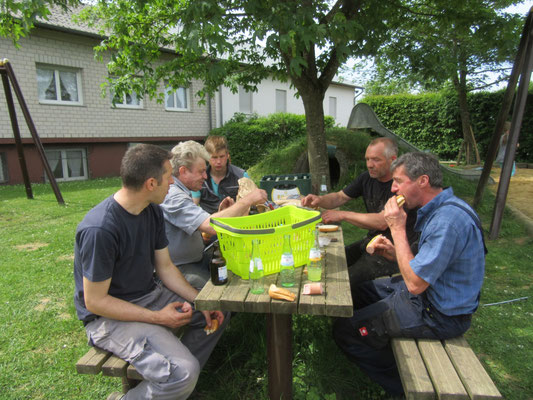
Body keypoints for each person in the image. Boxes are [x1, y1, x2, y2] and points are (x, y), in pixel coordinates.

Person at [73, 144, 228, 400]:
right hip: (108, 318)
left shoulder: (152, 211)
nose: (172, 183)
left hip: (148, 296)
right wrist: (158, 318)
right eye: (169, 177)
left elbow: (165, 268)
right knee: (184, 372)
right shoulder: (100, 229)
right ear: (151, 183)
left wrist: (198, 301)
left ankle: (174, 388)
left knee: (216, 310)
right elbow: (95, 302)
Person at [333, 152, 486, 396]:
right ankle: (380, 338)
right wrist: (395, 253)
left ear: (422, 181)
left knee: (345, 330)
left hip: (438, 314)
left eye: (398, 181)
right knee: (353, 292)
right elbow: (426, 266)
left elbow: (415, 284)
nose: (393, 189)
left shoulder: (447, 221)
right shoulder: (440, 208)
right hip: (426, 293)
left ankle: (405, 387)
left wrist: (397, 228)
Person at [301, 137, 419, 285]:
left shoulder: (402, 186)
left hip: (393, 251)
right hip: (371, 241)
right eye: (367, 159)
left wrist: (343, 214)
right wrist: (319, 199)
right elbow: (339, 197)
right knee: (330, 261)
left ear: (393, 160)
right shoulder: (366, 178)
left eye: (376, 160)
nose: (370, 165)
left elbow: (382, 222)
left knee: (343, 282)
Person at [161, 140, 267, 289]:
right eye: (201, 171)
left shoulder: (181, 191)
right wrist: (248, 200)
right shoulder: (173, 196)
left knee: (234, 270)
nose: (205, 176)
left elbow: (203, 227)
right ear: (183, 171)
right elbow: (210, 226)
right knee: (221, 289)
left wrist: (222, 214)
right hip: (180, 267)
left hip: (197, 258)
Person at [192, 135, 249, 214]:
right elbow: (192, 206)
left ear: (227, 155)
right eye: (214, 157)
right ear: (207, 157)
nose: (218, 161)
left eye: (221, 156)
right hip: (208, 223)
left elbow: (249, 206)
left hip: (235, 221)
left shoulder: (242, 176)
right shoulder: (199, 178)